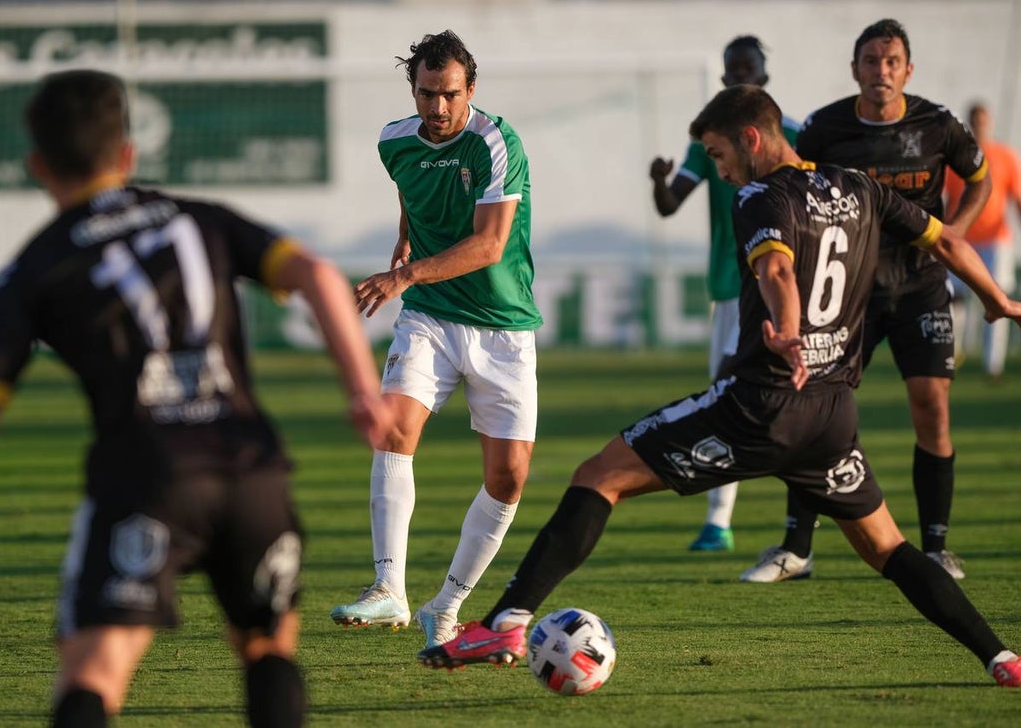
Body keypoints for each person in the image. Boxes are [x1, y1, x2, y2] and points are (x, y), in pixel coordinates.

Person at [414, 84, 1021, 689]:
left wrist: (787, 331)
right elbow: (946, 239)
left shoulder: (760, 195)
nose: (721, 170)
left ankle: (507, 620)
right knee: (888, 547)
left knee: (601, 475)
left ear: (750, 138)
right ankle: (1001, 658)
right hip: (832, 416)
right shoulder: (859, 187)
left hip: (760, 402)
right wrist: (996, 300)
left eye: (718, 154)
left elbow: (778, 267)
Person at [0, 69, 392, 728]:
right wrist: (360, 390)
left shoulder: (34, 267)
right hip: (252, 468)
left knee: (96, 670)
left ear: (38, 166)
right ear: (127, 154)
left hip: (147, 478)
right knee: (265, 646)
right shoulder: (200, 218)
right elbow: (317, 272)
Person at [740, 18, 992, 583]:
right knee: (813, 412)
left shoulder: (936, 125)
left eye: (892, 61)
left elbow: (980, 178)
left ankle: (935, 548)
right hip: (849, 294)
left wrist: (957, 235)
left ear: (908, 69)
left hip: (922, 286)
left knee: (932, 410)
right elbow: (793, 188)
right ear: (855, 69)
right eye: (871, 61)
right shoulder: (826, 128)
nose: (882, 71)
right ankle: (796, 550)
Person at [329, 30, 542, 649]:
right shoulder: (393, 142)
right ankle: (387, 590)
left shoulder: (497, 143)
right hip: (429, 317)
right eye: (427, 94)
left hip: (503, 327)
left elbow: (489, 245)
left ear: (470, 89)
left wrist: (403, 272)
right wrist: (404, 237)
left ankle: (445, 606)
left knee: (510, 476)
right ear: (413, 89)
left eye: (449, 94)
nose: (438, 108)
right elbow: (411, 189)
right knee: (393, 427)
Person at [649, 34, 801, 552]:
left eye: (749, 69)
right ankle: (720, 521)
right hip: (731, 292)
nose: (741, 77)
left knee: (794, 399)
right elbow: (671, 204)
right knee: (729, 398)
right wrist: (658, 183)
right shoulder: (706, 141)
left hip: (785, 290)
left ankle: (800, 524)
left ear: (764, 78)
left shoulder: (796, 138)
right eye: (733, 70)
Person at [944, 102, 1021, 380]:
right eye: (974, 120)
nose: (979, 125)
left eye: (983, 120)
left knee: (998, 301)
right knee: (955, 299)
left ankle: (993, 366)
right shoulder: (956, 157)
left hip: (996, 241)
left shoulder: (1003, 156)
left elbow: (1016, 198)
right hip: (962, 240)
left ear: (989, 122)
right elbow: (945, 199)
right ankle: (950, 358)